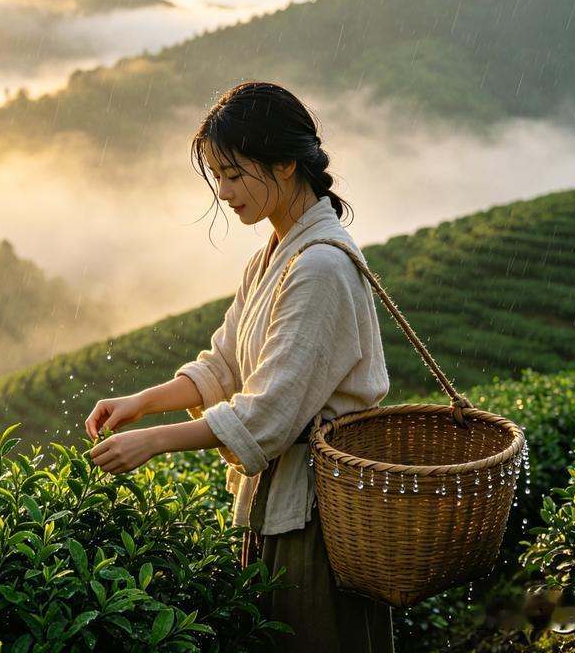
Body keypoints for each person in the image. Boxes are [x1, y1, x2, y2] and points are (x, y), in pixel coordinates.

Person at [84, 81, 394, 651]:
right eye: (217, 177)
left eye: (233, 174)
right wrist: (139, 403)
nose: (224, 193)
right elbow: (224, 363)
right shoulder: (272, 256)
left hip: (320, 515)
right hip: (279, 503)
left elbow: (268, 412)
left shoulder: (321, 267)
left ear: (283, 164)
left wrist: (154, 442)